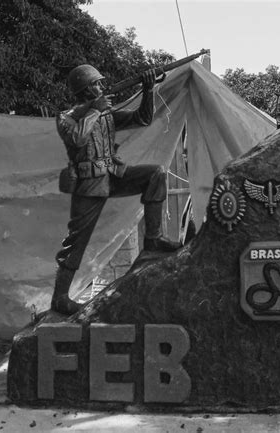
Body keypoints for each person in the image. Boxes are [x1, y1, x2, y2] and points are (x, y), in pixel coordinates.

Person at [52, 64, 181, 315]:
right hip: (89, 183)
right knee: (76, 241)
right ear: (86, 89)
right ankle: (59, 298)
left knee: (155, 174)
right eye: (97, 84)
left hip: (114, 174)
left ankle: (153, 239)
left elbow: (142, 119)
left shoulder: (105, 114)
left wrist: (148, 89)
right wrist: (95, 111)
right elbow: (78, 138)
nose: (102, 87)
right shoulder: (66, 117)